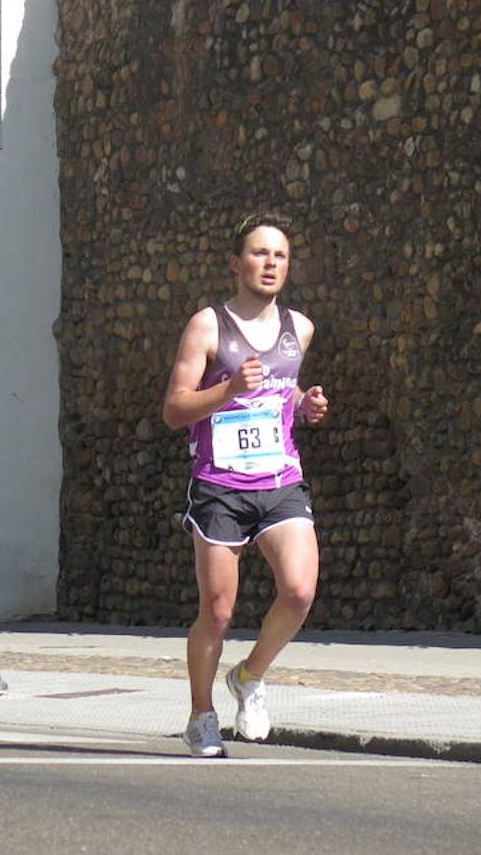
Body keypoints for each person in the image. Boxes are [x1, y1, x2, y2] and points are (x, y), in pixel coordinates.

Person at [162, 211, 329, 757]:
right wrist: (227, 389)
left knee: (300, 590)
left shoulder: (299, 328)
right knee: (218, 610)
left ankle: (250, 675)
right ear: (236, 263)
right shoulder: (207, 326)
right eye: (259, 253)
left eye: (279, 255)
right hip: (219, 486)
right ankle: (201, 715)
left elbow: (283, 388)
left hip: (281, 479)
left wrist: (304, 406)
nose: (270, 263)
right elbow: (175, 409)